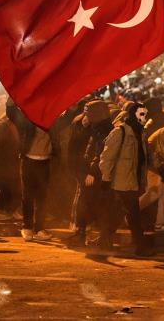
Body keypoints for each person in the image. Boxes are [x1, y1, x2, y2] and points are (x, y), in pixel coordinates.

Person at [99, 102, 153, 256]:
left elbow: (145, 155)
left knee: (121, 212)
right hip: (121, 181)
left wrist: (159, 168)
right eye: (141, 114)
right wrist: (106, 178)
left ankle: (104, 238)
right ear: (133, 115)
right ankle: (140, 246)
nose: (144, 118)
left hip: (134, 180)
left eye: (145, 115)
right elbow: (107, 157)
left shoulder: (141, 133)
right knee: (133, 213)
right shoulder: (119, 132)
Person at [8, 102, 59, 241]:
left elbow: (67, 118)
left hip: (45, 162)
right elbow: (12, 113)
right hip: (28, 161)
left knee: (42, 198)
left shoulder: (54, 122)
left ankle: (39, 229)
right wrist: (12, 99)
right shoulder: (28, 121)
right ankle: (27, 227)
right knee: (28, 196)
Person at [67, 100, 112, 246]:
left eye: (89, 113)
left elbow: (99, 152)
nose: (85, 115)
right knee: (91, 201)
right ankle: (96, 235)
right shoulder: (97, 126)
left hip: (95, 172)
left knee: (88, 201)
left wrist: (91, 172)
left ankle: (84, 234)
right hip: (92, 170)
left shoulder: (103, 130)